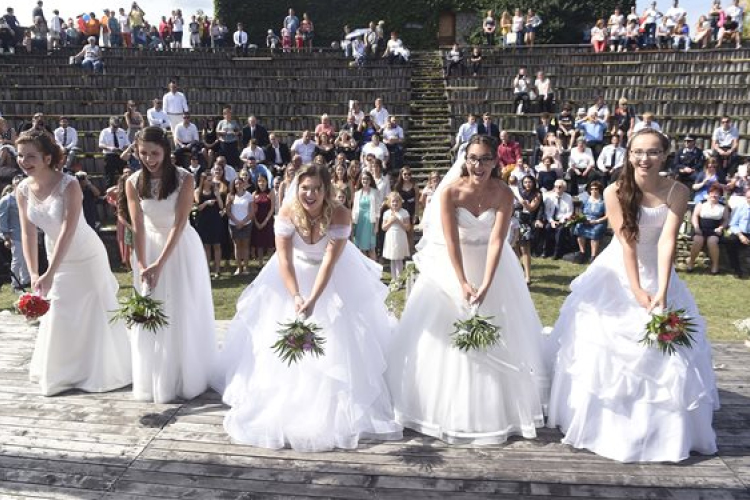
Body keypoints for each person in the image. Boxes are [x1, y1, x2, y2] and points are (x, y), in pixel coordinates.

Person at [546, 129, 719, 463]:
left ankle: (666, 431)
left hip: (660, 269)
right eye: (638, 152)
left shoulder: (678, 191)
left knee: (673, 351)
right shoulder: (614, 190)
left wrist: (663, 290)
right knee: (603, 345)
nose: (645, 159)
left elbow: (668, 240)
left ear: (665, 155)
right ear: (628, 154)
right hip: (617, 271)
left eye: (653, 152)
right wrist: (638, 290)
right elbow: (626, 241)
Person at [213, 164, 402, 451]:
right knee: (280, 342)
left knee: (338, 343)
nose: (310, 194)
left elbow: (329, 262)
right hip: (291, 277)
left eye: (316, 188)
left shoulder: (339, 214)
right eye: (305, 188)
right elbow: (284, 260)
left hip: (333, 278)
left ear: (326, 190)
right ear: (296, 187)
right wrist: (296, 296)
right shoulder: (288, 211)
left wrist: (313, 299)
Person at [386, 135, 549, 444]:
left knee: (501, 332)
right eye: (473, 158)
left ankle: (499, 410)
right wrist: (461, 281)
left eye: (485, 159)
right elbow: (450, 243)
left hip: (493, 265)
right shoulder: (450, 193)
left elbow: (499, 241)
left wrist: (487, 283)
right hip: (454, 264)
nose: (478, 165)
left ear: (495, 162)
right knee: (446, 336)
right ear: (465, 160)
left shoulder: (503, 193)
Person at [15, 130, 131, 396]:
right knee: (59, 310)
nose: (24, 161)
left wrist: (50, 272)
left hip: (84, 254)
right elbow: (28, 232)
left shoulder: (70, 184)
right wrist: (35, 272)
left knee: (93, 310)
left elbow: (68, 229)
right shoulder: (22, 189)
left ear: (46, 157)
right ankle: (62, 373)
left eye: (30, 156)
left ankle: (101, 370)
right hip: (54, 249)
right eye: (20, 156)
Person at [125, 126, 216, 403]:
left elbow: (179, 223)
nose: (150, 159)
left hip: (179, 248)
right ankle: (153, 376)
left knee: (181, 306)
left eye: (155, 153)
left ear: (166, 151)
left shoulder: (184, 179)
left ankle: (185, 376)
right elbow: (137, 225)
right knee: (151, 309)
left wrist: (160, 263)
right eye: (143, 153)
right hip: (147, 246)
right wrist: (142, 263)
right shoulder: (132, 181)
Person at [687, 184, 728, 274]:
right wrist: (696, 227)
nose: (714, 195)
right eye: (712, 193)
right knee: (698, 240)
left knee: (712, 241)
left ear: (720, 195)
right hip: (700, 228)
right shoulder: (701, 203)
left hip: (715, 230)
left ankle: (715, 265)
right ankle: (691, 263)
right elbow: (694, 216)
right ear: (709, 194)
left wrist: (721, 228)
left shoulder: (723, 206)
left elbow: (725, 220)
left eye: (717, 193)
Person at [0, 175, 30, 291]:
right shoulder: (7, 200)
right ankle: (15, 283)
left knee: (26, 258)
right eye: (18, 184)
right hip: (14, 234)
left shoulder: (27, 198)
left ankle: (25, 280)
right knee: (17, 259)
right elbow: (2, 219)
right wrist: (6, 237)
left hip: (27, 233)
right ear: (14, 185)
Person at [512, 175, 543, 283]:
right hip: (515, 222)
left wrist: (520, 200)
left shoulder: (537, 194)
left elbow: (531, 208)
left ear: (533, 183)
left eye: (529, 182)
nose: (527, 184)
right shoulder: (519, 192)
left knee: (525, 249)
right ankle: (517, 272)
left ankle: (528, 276)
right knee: (514, 247)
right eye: (525, 182)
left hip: (526, 223)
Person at [194, 172, 224, 278]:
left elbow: (221, 206)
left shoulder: (215, 190)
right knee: (206, 245)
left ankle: (217, 269)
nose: (211, 182)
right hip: (203, 220)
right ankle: (206, 269)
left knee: (216, 245)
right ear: (203, 180)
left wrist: (217, 196)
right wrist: (206, 203)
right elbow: (198, 207)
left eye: (211, 180)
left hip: (215, 219)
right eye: (209, 180)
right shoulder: (198, 191)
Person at [572, 181, 608, 262]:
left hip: (598, 221)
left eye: (596, 189)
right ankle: (582, 253)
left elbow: (607, 215)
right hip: (585, 220)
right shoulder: (586, 200)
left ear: (600, 190)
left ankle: (593, 256)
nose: (593, 191)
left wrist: (597, 221)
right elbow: (579, 211)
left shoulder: (603, 201)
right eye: (592, 189)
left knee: (595, 232)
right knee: (579, 227)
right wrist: (582, 218)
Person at [541, 179, 574, 258]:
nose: (558, 189)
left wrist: (562, 221)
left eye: (560, 187)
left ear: (564, 188)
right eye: (556, 187)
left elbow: (570, 211)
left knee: (560, 231)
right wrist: (552, 221)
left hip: (562, 220)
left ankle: (557, 252)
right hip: (551, 219)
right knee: (547, 228)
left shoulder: (568, 197)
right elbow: (546, 211)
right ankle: (546, 251)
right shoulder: (549, 197)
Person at [382, 192, 410, 282]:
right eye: (393, 201)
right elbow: (384, 228)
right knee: (392, 258)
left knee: (398, 258)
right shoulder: (387, 213)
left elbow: (408, 227)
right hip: (390, 236)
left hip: (400, 236)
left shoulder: (404, 212)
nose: (395, 203)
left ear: (400, 202)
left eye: (397, 201)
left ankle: (399, 278)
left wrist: (398, 221)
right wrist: (390, 221)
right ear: (390, 203)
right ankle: (394, 278)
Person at [352, 171, 380, 260]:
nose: (365, 180)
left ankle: (374, 270)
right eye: (363, 179)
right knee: (361, 248)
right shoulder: (357, 193)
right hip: (359, 221)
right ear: (360, 180)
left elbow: (377, 211)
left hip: (370, 222)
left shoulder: (375, 192)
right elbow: (354, 209)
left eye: (367, 179)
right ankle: (364, 270)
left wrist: (377, 226)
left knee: (371, 248)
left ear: (371, 180)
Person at [725, 188, 750, 278]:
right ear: (746, 198)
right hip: (741, 233)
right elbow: (733, 224)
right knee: (730, 242)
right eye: (748, 197)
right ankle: (736, 270)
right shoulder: (740, 207)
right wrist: (741, 236)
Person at [252, 174, 275, 265]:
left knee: (269, 243)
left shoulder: (271, 192)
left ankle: (270, 263)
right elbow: (252, 209)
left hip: (268, 220)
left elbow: (272, 208)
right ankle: (260, 263)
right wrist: (256, 222)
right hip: (257, 220)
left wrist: (265, 221)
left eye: (263, 181)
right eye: (259, 181)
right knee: (259, 243)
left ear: (266, 182)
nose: (261, 183)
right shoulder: (254, 194)